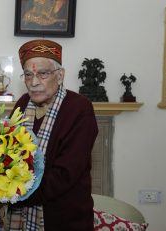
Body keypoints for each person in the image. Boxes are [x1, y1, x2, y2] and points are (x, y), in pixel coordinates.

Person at [6, 39, 98, 230]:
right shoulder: (22, 104)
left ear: (60, 75)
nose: (34, 82)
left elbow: (65, 174)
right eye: (28, 75)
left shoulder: (79, 108)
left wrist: (11, 195)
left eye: (43, 74)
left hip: (65, 219)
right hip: (22, 214)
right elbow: (7, 152)